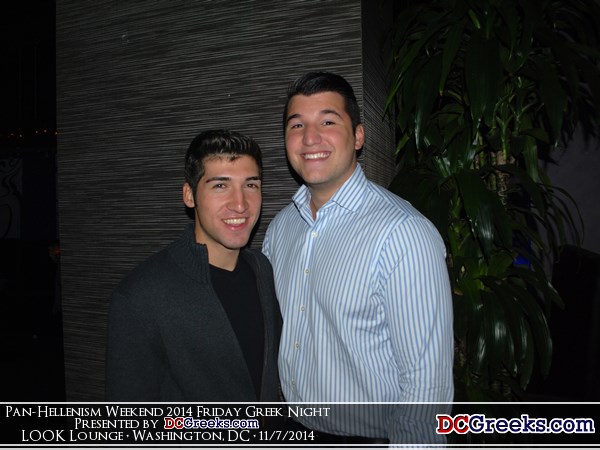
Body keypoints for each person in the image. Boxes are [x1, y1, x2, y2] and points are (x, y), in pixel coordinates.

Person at [262, 72, 454, 444]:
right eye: (297, 125)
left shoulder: (404, 233)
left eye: (328, 122)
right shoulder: (280, 229)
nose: (310, 138)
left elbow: (427, 386)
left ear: (359, 136)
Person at [106, 129, 281, 402]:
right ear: (189, 195)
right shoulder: (140, 295)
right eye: (220, 186)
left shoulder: (263, 270)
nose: (240, 204)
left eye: (250, 185)